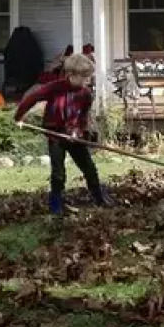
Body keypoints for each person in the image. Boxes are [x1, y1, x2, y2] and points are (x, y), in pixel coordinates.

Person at [14, 52, 112, 215]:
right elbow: (32, 98)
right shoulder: (55, 88)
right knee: (58, 173)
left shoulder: (86, 94)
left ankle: (99, 198)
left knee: (89, 168)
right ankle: (55, 205)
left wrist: (77, 131)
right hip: (55, 135)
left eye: (88, 77)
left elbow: (82, 117)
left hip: (74, 137)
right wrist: (19, 117)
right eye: (84, 77)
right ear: (71, 74)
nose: (87, 81)